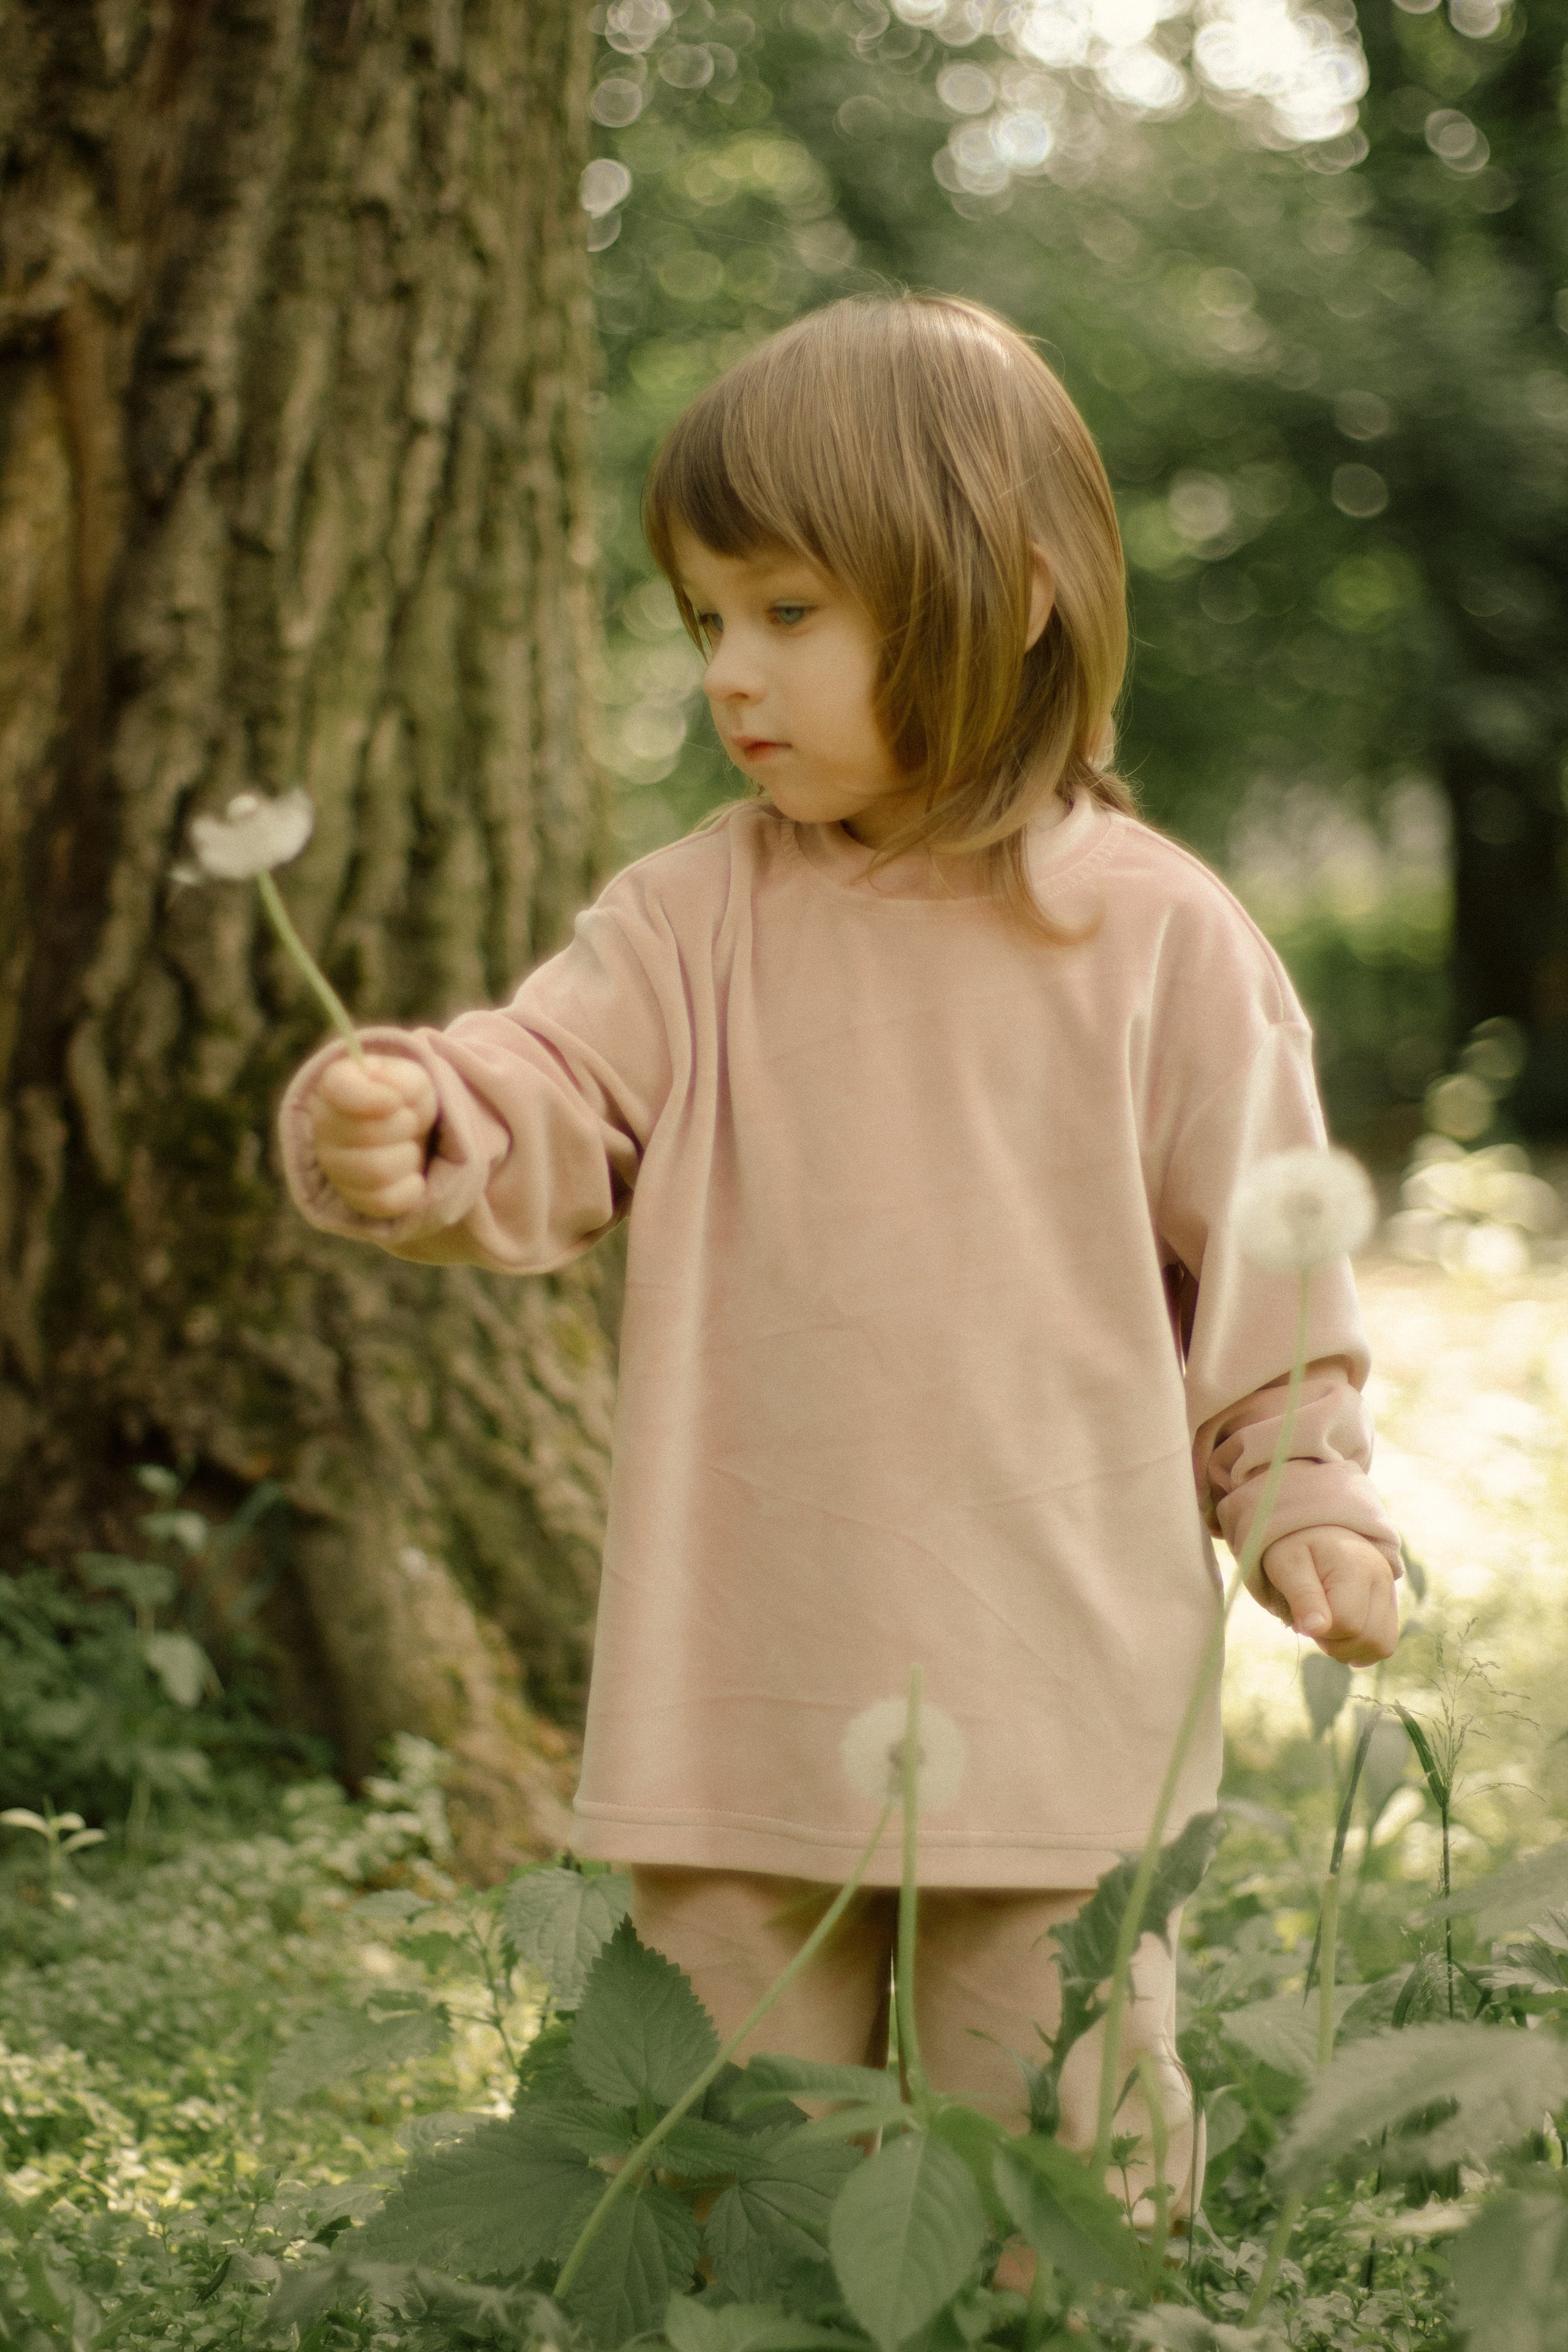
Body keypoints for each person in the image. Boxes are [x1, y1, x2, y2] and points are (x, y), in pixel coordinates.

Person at [279, 294, 1400, 2252]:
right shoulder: (691, 917)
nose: (732, 672)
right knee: (740, 2198)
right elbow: (542, 1090)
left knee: (1057, 2199)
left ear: (1016, 593)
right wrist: (419, 1119)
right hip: (741, 1703)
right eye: (708, 618)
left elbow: (1272, 1268)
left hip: (1057, 1695)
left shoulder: (1155, 939)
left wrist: (1301, 1489)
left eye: (790, 612)